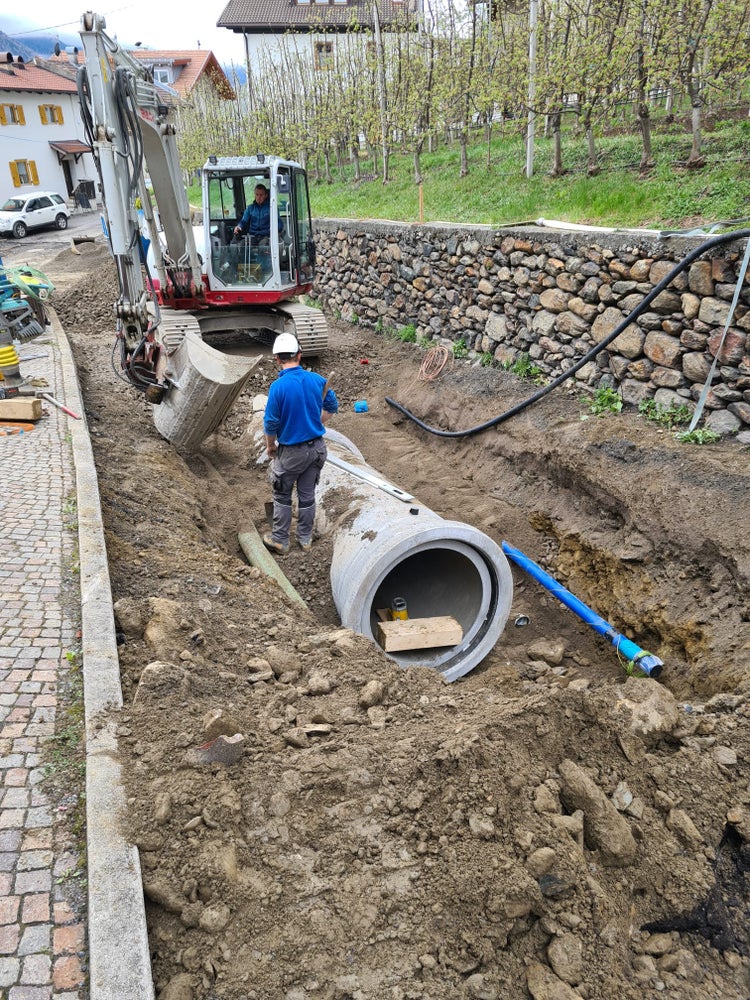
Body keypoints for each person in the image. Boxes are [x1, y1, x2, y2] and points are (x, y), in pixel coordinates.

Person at [262, 333, 338, 555]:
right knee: (307, 495)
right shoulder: (317, 380)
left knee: (282, 494)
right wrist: (316, 421)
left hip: (292, 453)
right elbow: (332, 405)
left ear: (277, 359)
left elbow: (270, 423)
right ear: (299, 355)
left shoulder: (278, 387)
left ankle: (280, 540)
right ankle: (305, 539)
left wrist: (270, 446)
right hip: (317, 450)